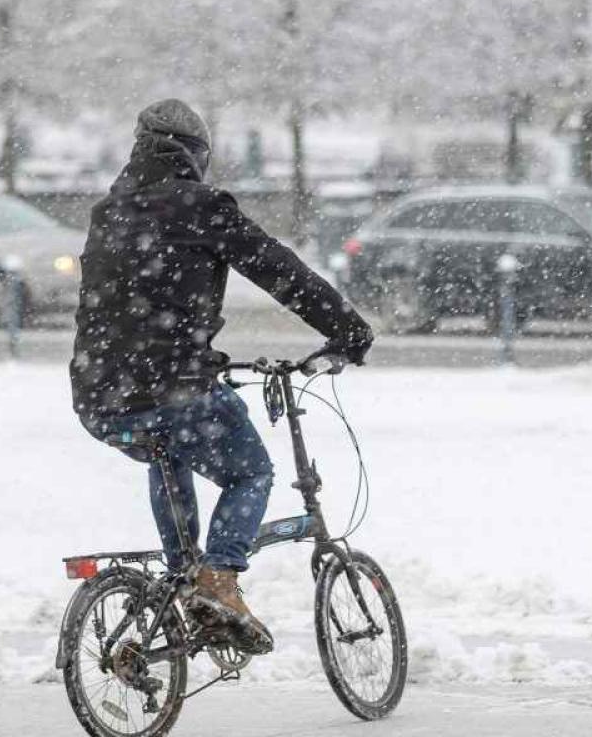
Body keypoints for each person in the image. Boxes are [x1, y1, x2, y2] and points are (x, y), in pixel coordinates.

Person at [69, 99, 374, 655]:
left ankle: (184, 580)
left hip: (99, 397)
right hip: (173, 386)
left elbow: (118, 309)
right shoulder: (200, 207)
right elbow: (281, 271)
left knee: (169, 450)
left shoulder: (109, 210)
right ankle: (219, 581)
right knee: (250, 472)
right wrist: (347, 330)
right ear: (194, 154)